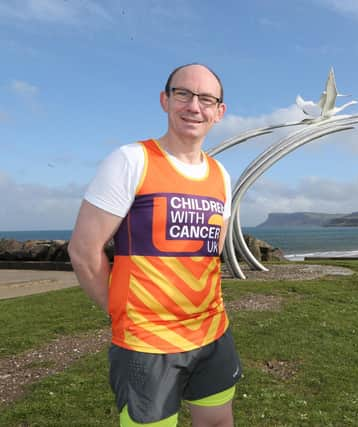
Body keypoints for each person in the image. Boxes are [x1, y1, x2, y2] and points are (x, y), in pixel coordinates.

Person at [69, 63, 241, 427]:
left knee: (218, 423)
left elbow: (212, 253)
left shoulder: (221, 175)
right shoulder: (131, 160)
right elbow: (84, 251)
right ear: (165, 100)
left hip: (212, 332)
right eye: (183, 94)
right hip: (148, 343)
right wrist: (122, 312)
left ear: (219, 112)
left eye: (206, 99)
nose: (194, 106)